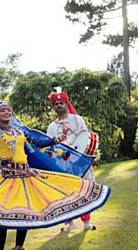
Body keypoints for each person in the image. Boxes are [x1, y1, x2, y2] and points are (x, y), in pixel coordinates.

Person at [0, 101, 111, 250]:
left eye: (9, 109)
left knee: (24, 212)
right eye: (2, 110)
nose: (7, 112)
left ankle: (18, 246)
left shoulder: (20, 131)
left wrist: (57, 139)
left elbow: (40, 141)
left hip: (25, 174)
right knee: (5, 215)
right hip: (7, 176)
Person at [46, 90, 97, 231]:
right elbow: (49, 146)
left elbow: (84, 138)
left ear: (66, 103)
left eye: (61, 103)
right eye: (55, 104)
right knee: (65, 194)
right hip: (62, 164)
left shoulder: (77, 120)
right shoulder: (51, 127)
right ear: (53, 107)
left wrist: (77, 156)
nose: (58, 106)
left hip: (80, 161)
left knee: (84, 191)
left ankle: (87, 222)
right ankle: (69, 223)